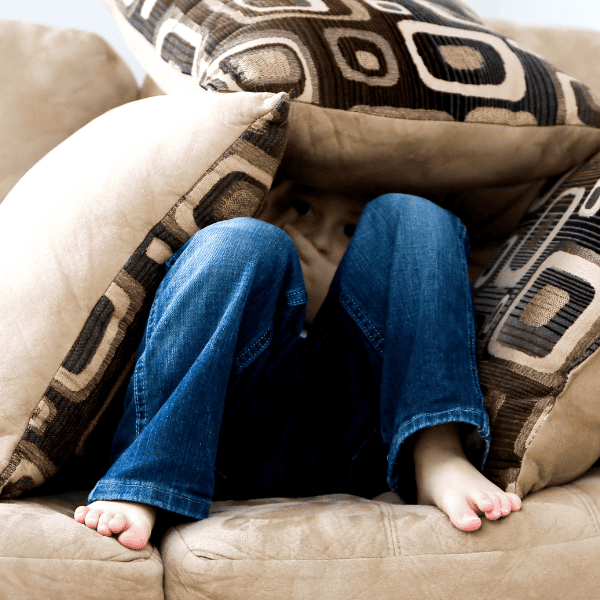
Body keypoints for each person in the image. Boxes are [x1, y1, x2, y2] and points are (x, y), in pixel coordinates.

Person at [73, 177, 521, 550]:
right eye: (303, 209)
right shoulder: (262, 254)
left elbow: (402, 290)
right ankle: (149, 480)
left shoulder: (377, 274)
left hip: (355, 444)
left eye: (350, 230)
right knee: (239, 242)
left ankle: (435, 450)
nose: (321, 238)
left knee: (414, 214)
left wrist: (329, 293)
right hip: (221, 442)